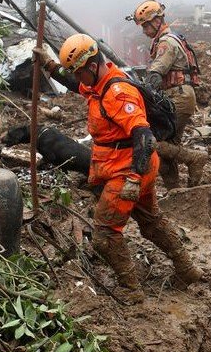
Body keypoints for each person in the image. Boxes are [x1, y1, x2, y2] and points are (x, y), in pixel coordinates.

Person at [35, 34, 202, 304]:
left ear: (91, 66)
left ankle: (131, 289)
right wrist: (50, 66)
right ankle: (188, 269)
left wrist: (134, 179)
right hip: (130, 166)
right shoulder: (98, 82)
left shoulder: (118, 93)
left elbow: (145, 137)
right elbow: (78, 86)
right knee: (150, 222)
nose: (77, 78)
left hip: (129, 169)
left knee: (104, 233)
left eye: (79, 71)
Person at [131, 0, 207, 189]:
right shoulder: (169, 39)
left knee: (155, 143)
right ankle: (176, 192)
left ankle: (194, 158)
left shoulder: (166, 42)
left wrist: (143, 96)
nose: (145, 31)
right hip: (178, 97)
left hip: (177, 98)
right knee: (167, 150)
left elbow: (156, 73)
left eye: (146, 25)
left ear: (157, 21)